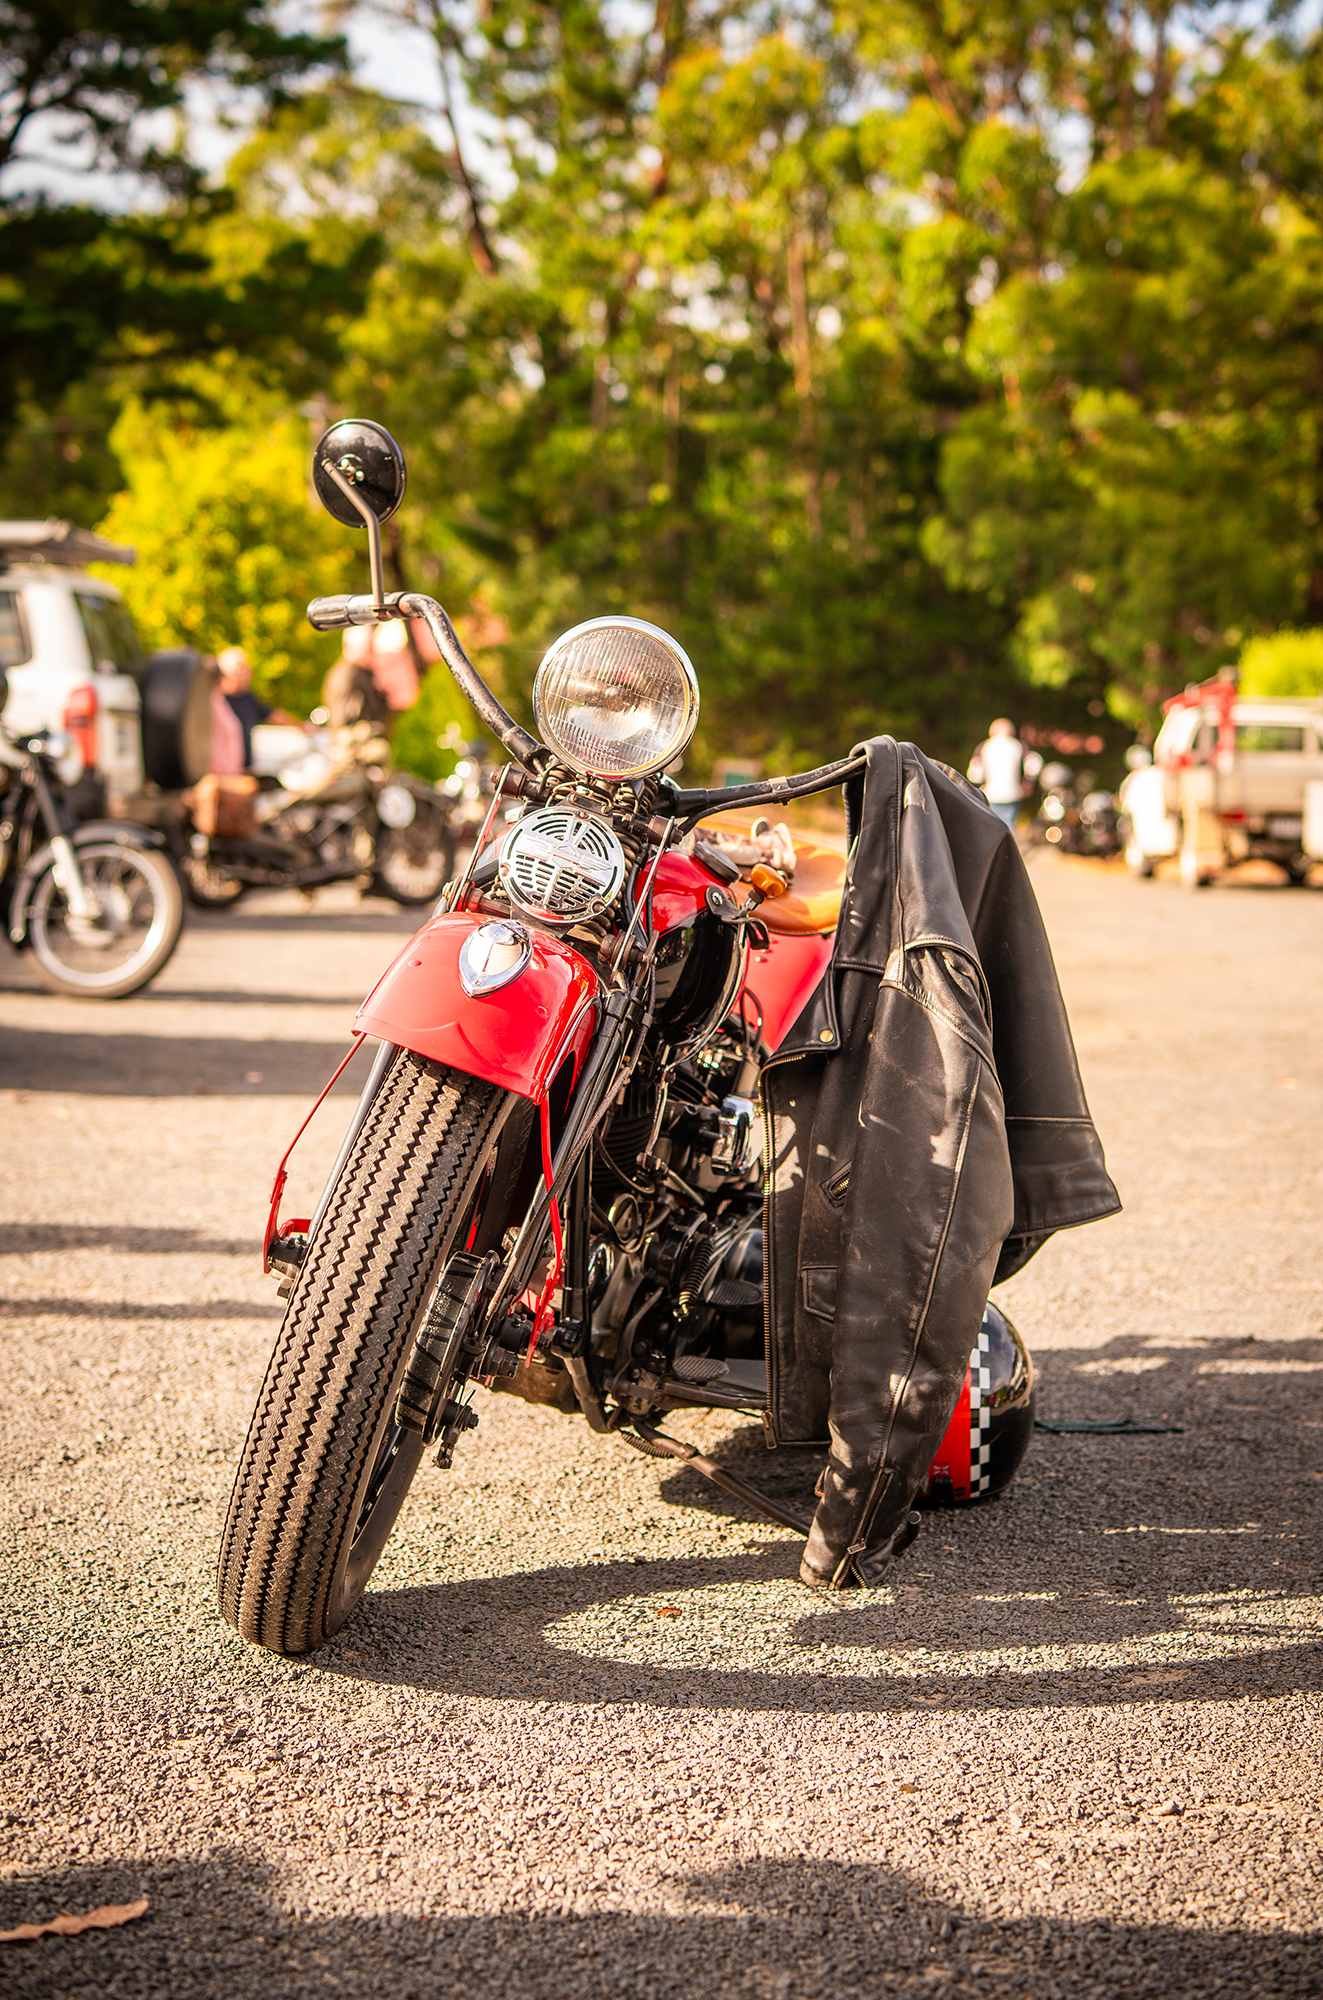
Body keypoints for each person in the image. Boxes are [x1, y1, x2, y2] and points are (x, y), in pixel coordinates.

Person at [216, 645, 301, 769]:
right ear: (231, 673)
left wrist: (300, 726)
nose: (249, 674)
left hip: (244, 769)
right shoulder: (217, 700)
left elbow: (272, 714)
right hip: (223, 772)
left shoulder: (247, 697)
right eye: (244, 669)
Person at [967, 717, 1027, 829]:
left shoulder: (985, 746)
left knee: (992, 827)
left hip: (991, 793)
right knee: (1009, 824)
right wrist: (1026, 783)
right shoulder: (1018, 746)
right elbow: (1033, 766)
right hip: (1012, 793)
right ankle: (1010, 846)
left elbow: (974, 775)